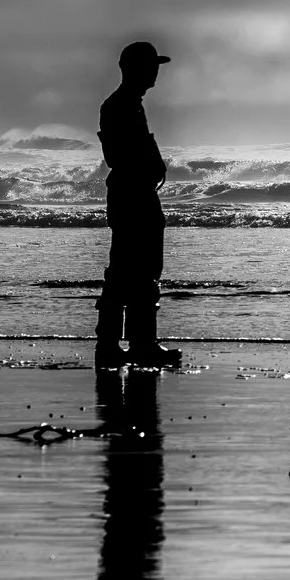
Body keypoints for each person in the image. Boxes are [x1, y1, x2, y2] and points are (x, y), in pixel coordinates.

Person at [98, 41, 181, 369]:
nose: (155, 71)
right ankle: (126, 344)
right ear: (134, 68)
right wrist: (147, 166)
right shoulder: (119, 105)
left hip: (136, 194)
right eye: (151, 65)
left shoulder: (128, 104)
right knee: (130, 270)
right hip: (132, 196)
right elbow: (117, 156)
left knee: (139, 270)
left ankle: (135, 343)